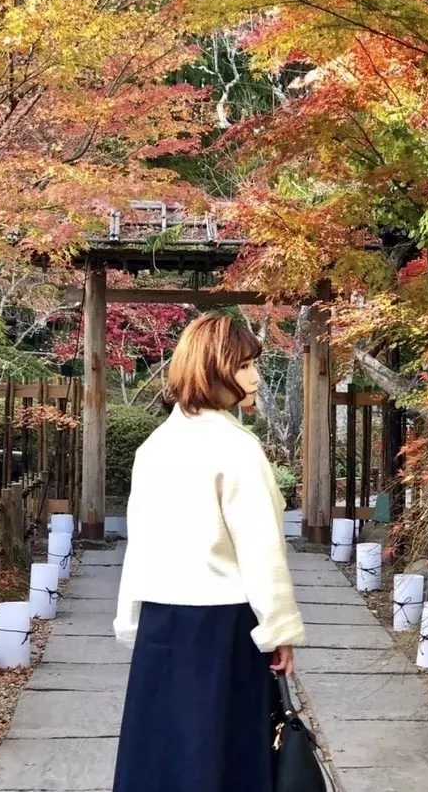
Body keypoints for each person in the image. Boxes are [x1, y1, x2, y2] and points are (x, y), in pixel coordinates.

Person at [112, 313, 305, 792]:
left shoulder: (154, 447)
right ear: (213, 371)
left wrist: (130, 619)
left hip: (161, 625)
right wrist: (279, 627)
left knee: (163, 757)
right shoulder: (237, 448)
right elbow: (261, 550)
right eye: (243, 367)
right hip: (223, 626)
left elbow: (140, 545)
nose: (255, 377)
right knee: (226, 753)